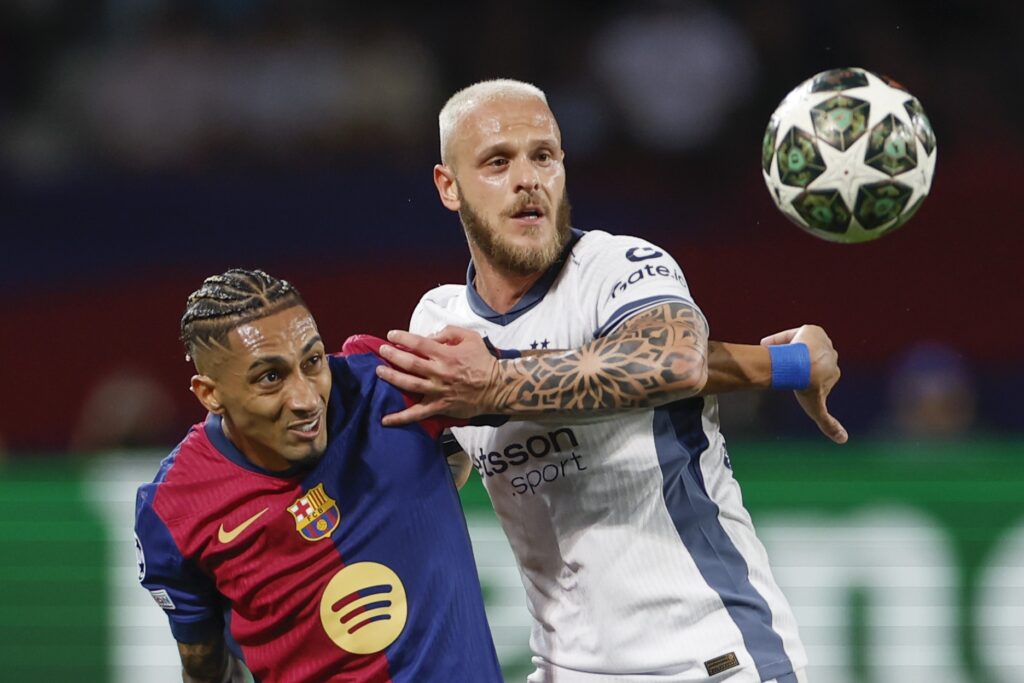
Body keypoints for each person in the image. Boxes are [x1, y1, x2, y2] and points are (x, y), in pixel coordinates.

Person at [374, 80, 847, 683]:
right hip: (562, 668)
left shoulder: (620, 267)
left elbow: (676, 364)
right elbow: (440, 468)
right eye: (498, 162)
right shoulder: (440, 321)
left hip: (709, 658)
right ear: (449, 187)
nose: (528, 179)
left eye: (543, 156)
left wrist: (494, 386)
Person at [133, 269, 503, 683]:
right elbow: (205, 666)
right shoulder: (174, 510)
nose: (307, 399)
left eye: (312, 361)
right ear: (210, 394)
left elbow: (549, 384)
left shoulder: (386, 385)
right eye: (270, 377)